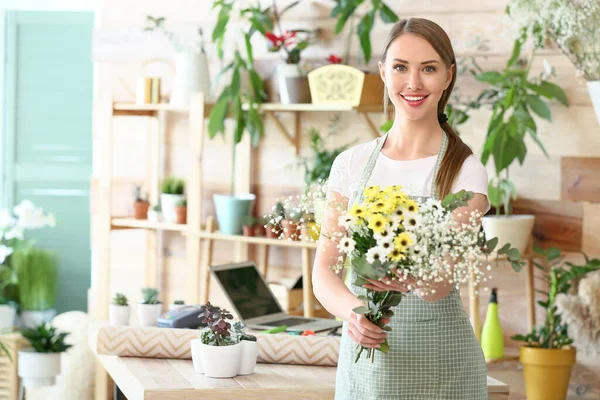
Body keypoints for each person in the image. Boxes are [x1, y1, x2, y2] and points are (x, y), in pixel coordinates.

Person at [312, 18, 490, 399]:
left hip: (443, 371)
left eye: (428, 68)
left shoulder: (464, 170)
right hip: (365, 371)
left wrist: (407, 282)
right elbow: (324, 272)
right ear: (382, 72)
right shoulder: (351, 164)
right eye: (400, 67)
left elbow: (442, 281)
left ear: (447, 76)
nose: (413, 83)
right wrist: (355, 312)